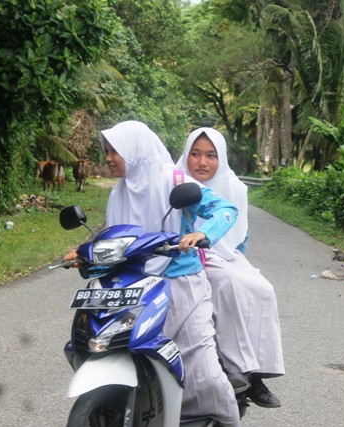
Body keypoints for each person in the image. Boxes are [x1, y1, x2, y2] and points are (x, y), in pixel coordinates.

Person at [65, 121, 242, 426]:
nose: (108, 158)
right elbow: (114, 240)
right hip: (128, 288)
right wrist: (85, 254)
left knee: (204, 374)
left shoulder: (174, 180)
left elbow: (225, 209)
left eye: (114, 151)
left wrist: (202, 233)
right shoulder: (118, 193)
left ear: (135, 151)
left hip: (180, 286)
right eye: (106, 151)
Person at [176, 127, 285, 408]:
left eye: (211, 155)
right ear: (186, 155)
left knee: (263, 289)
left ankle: (257, 372)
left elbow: (241, 233)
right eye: (196, 154)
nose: (202, 162)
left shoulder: (235, 187)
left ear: (221, 158)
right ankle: (239, 368)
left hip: (227, 253)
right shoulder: (175, 181)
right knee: (227, 282)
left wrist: (237, 259)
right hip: (189, 256)